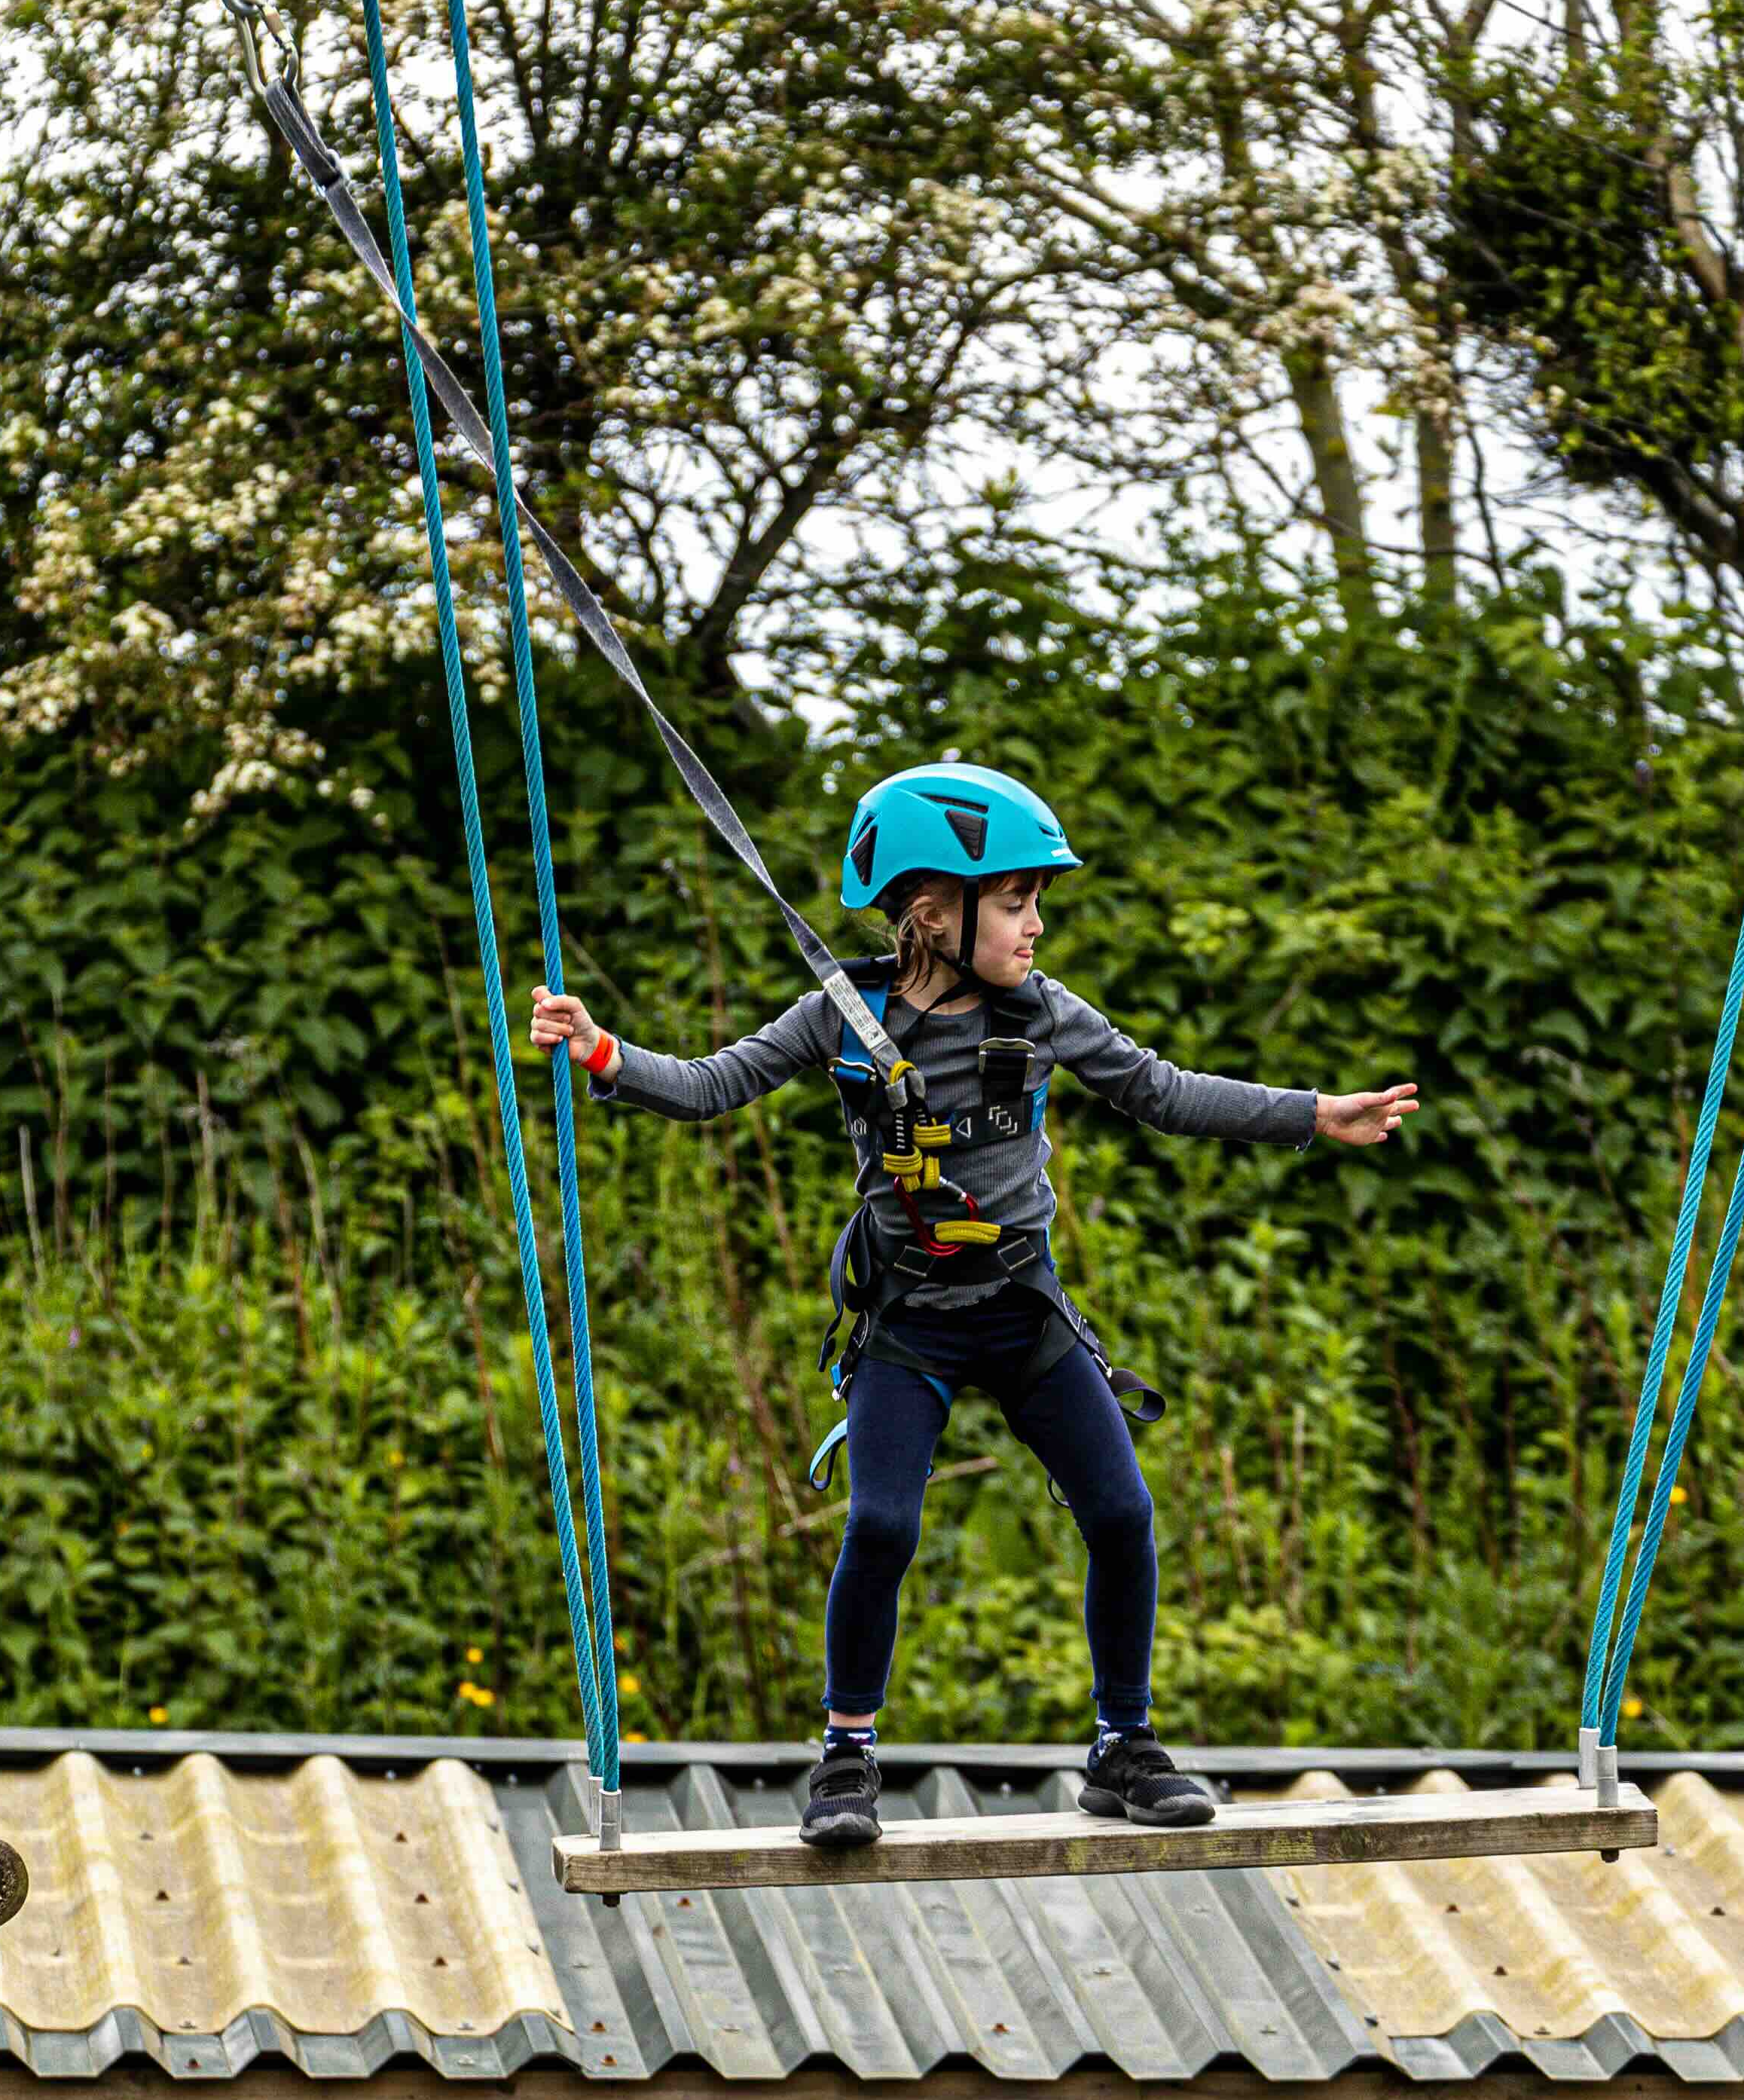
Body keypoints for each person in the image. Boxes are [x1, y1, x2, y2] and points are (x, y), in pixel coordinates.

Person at [528, 761, 1416, 1850]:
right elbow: (715, 1085)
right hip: (911, 1325)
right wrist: (603, 1052)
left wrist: (1315, 1113)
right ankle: (847, 1756)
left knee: (1124, 1513)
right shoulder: (839, 1017)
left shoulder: (1044, 1014)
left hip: (1021, 1313)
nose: (1037, 923)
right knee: (882, 1521)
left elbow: (1163, 1090)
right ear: (932, 912)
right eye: (1016, 901)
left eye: (1038, 900)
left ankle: (1122, 1747)